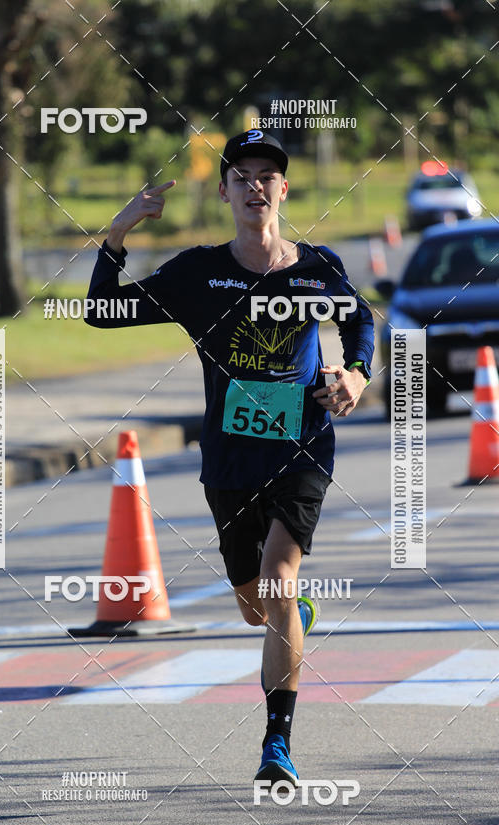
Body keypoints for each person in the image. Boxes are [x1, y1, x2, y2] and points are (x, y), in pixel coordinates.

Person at [85, 130, 374, 789]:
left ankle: (277, 744)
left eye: (266, 176)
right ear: (224, 192)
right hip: (229, 462)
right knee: (256, 603)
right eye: (241, 176)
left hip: (302, 451)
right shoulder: (196, 274)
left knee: (277, 579)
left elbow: (361, 320)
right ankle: (288, 618)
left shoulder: (315, 268)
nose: (254, 186)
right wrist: (117, 233)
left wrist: (356, 373)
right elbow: (103, 311)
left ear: (283, 189)